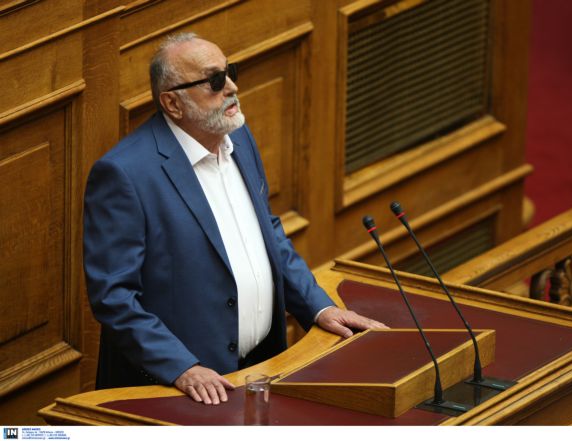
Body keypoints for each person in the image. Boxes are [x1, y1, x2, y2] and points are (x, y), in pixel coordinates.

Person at [83, 33, 385, 406]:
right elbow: (113, 296)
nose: (231, 87)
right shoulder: (125, 174)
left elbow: (267, 232)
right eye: (214, 81)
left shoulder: (237, 136)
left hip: (263, 367)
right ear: (172, 103)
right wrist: (181, 367)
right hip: (178, 389)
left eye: (230, 72)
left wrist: (318, 307)